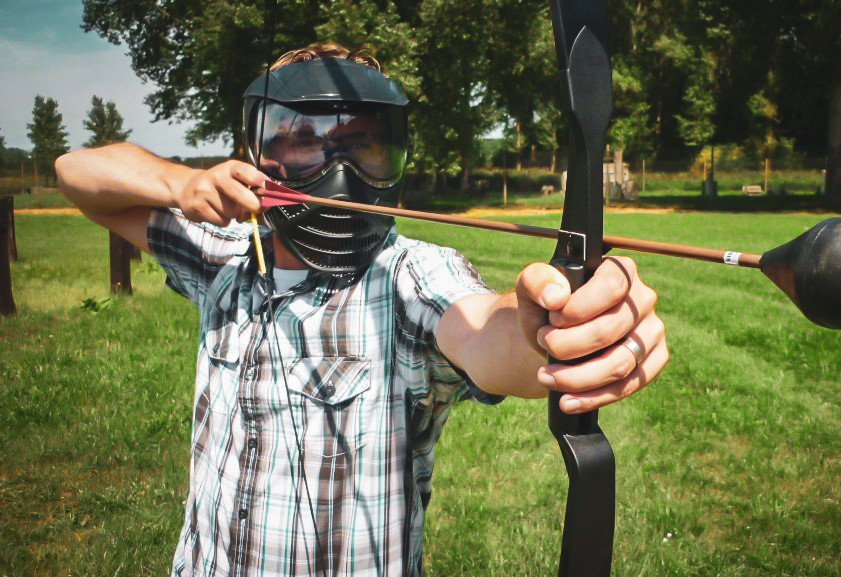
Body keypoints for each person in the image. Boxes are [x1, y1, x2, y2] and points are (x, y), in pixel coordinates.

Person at [56, 43, 668, 577]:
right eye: (305, 143)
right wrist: (177, 184)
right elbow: (75, 172)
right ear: (259, 154)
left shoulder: (407, 277)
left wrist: (550, 330)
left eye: (363, 147)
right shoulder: (223, 258)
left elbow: (487, 333)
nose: (339, 173)